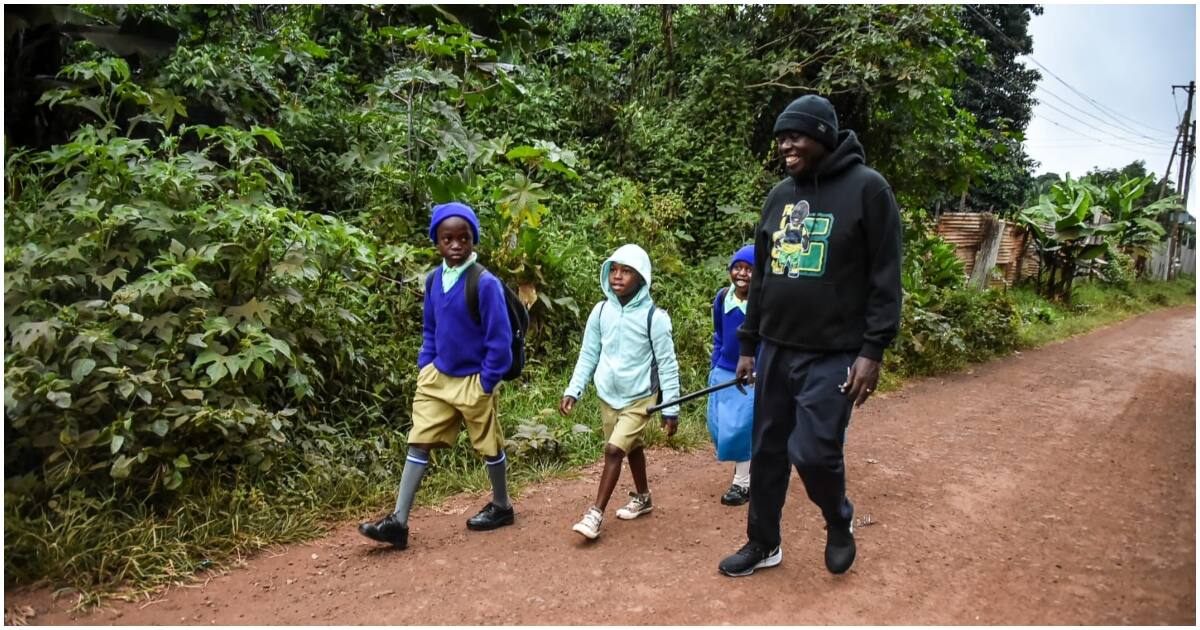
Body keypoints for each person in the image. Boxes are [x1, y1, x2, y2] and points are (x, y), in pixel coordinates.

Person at [718, 94, 901, 577]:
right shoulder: (779, 196)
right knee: (769, 451)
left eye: (794, 136)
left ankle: (838, 518)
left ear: (821, 134)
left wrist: (872, 350)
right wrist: (748, 345)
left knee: (814, 452)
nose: (785, 145)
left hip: (834, 353)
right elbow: (761, 279)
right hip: (777, 348)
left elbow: (886, 277)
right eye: (780, 138)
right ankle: (763, 543)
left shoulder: (869, 190)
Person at [359, 201, 515, 549]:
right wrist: (425, 363)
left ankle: (502, 505)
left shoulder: (485, 284)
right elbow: (430, 327)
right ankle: (398, 522)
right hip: (438, 378)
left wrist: (487, 382)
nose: (456, 245)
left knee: (489, 445)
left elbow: (500, 340)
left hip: (475, 380)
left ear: (473, 239)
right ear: (437, 242)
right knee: (419, 439)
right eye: (448, 239)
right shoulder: (433, 280)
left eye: (464, 238)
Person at [560, 243, 682, 540]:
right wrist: (573, 389)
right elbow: (588, 354)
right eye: (613, 270)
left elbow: (667, 365)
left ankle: (594, 515)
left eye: (626, 271)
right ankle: (643, 497)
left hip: (640, 396)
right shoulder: (600, 311)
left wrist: (672, 408)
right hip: (608, 396)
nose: (617, 276)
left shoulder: (655, 317)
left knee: (614, 451)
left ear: (641, 277)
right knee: (632, 446)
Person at [707, 244, 757, 506]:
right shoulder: (722, 297)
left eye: (749, 269)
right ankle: (751, 467)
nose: (742, 274)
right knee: (718, 428)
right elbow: (718, 333)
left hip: (751, 378)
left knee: (740, 429)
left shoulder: (763, 304)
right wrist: (714, 365)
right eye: (738, 267)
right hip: (723, 373)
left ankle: (742, 483)